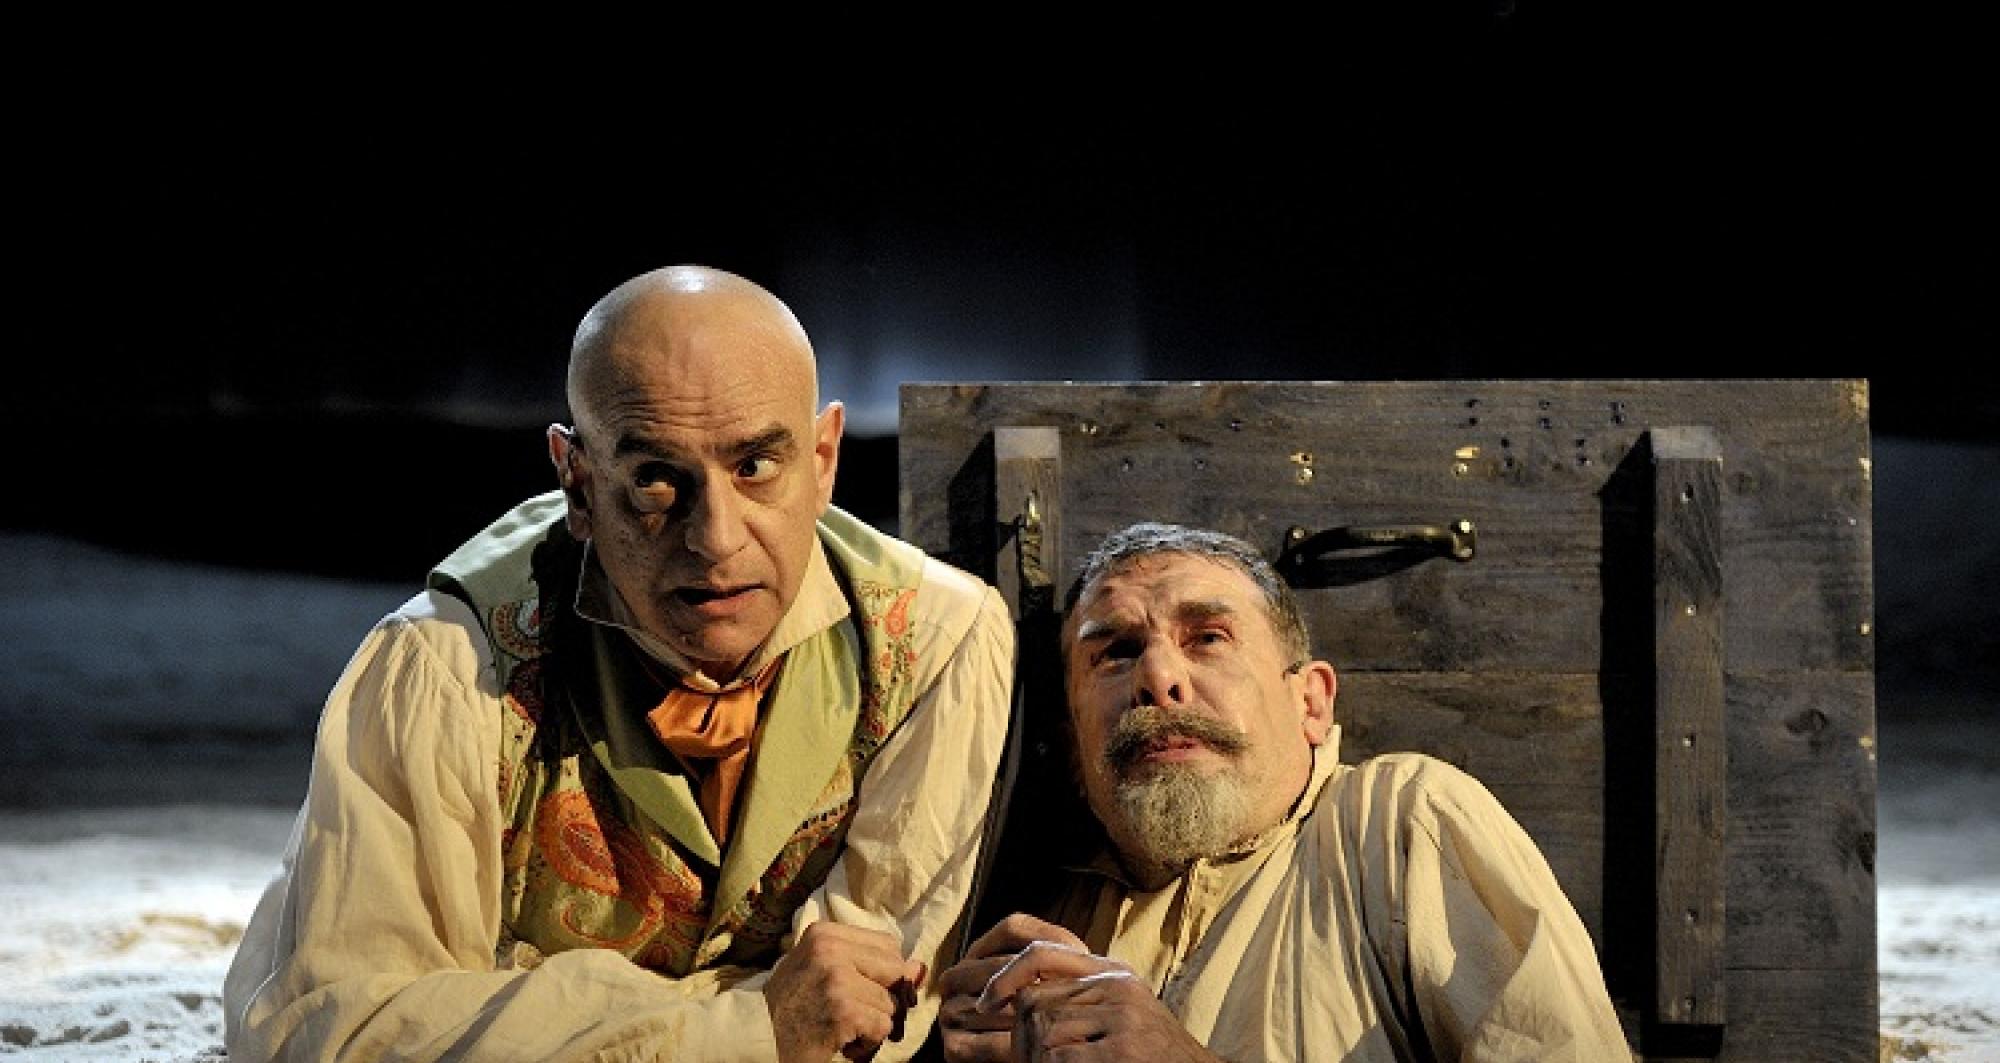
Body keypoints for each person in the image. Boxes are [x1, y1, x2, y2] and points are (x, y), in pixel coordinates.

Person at [224, 265, 1015, 1062]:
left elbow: (864, 1018)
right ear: (577, 482)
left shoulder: (939, 645)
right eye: (656, 480)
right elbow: (338, 1029)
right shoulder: (446, 666)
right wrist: (745, 1027)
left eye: (755, 466)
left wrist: (529, 1007)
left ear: (823, 458)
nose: (715, 539)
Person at [935, 522, 1631, 1062]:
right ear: (1072, 740)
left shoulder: (1401, 822)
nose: (1158, 679)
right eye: (1115, 652)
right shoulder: (1037, 922)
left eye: (1208, 637)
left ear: (1311, 702)